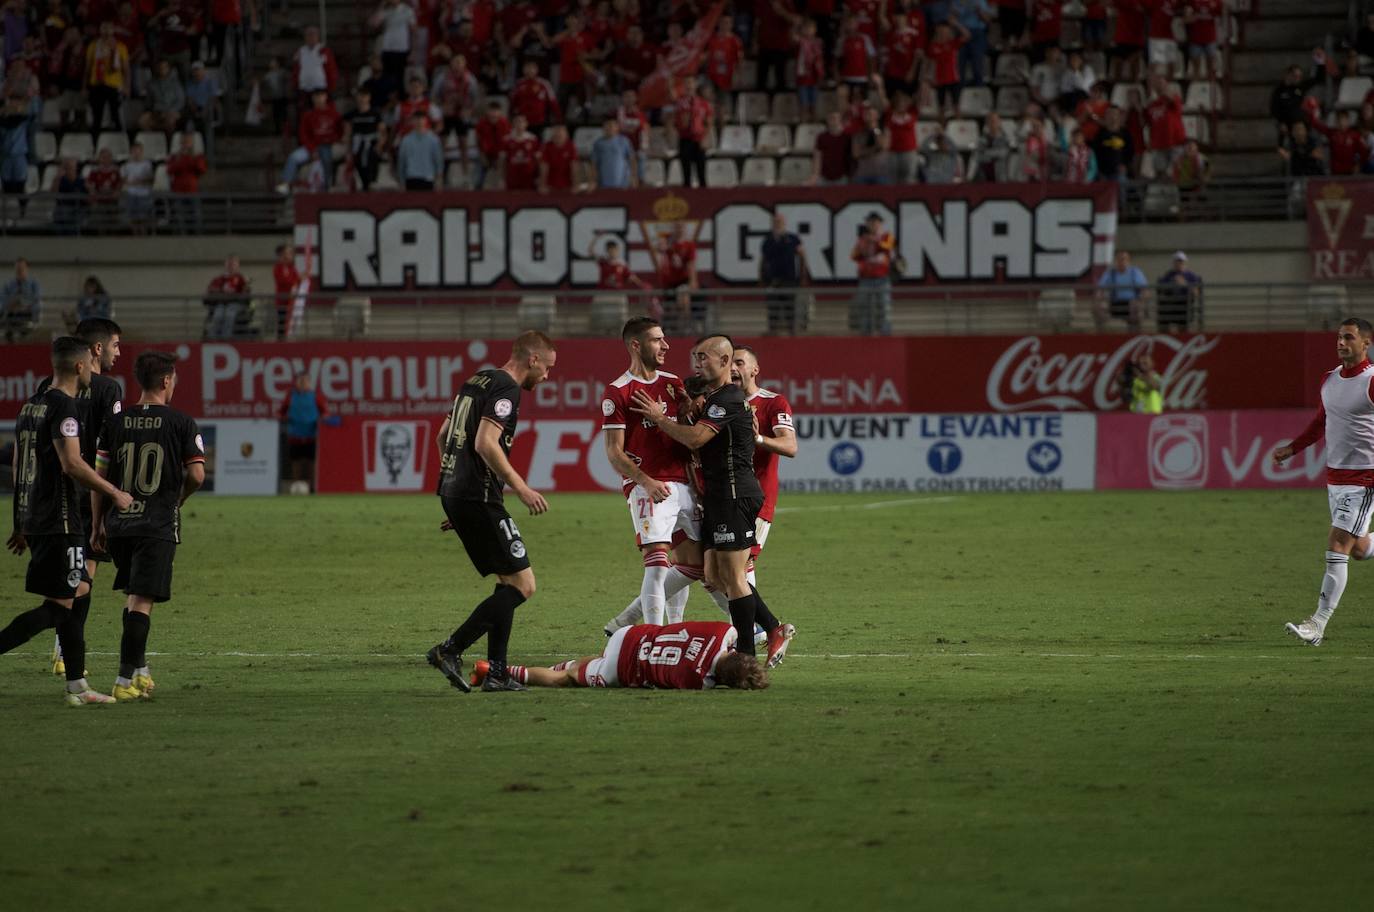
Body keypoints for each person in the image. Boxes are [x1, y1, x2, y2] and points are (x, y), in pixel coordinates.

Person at [628, 335, 794, 666]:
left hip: (736, 494)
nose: (697, 362)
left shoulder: (729, 398)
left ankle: (746, 653)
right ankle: (773, 627)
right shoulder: (716, 398)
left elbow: (698, 438)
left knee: (733, 577)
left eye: (703, 357)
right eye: (695, 356)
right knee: (713, 575)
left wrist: (661, 419)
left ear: (724, 362)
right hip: (718, 496)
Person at [0, 336, 133, 706]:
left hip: (39, 519)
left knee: (76, 593)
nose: (95, 369)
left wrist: (21, 521)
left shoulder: (31, 406)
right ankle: (76, 684)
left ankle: (77, 685)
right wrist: (114, 492)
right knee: (60, 605)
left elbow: (20, 467)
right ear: (79, 366)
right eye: (90, 363)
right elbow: (72, 464)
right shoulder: (65, 409)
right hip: (60, 520)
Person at [427, 331, 558, 693]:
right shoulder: (506, 388)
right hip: (479, 496)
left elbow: (442, 436)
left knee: (507, 581)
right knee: (523, 584)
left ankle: (497, 673)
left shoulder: (476, 380)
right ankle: (449, 649)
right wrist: (522, 487)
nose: (547, 376)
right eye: (547, 368)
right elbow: (485, 443)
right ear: (532, 359)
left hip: (458, 493)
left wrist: (455, 487)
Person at [89, 350, 205, 701]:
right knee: (142, 601)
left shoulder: (116, 423)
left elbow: (99, 475)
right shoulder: (181, 422)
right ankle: (124, 681)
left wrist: (97, 523)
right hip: (155, 524)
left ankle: (140, 671)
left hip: (120, 524)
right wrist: (179, 498)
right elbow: (197, 474)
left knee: (132, 596)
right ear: (167, 380)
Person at [597, 316, 705, 634]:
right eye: (657, 340)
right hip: (650, 487)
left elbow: (686, 433)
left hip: (685, 485)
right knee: (657, 564)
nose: (665, 345)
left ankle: (669, 628)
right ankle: (653, 640)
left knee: (694, 565)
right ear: (636, 344)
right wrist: (646, 482)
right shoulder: (618, 392)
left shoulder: (673, 383)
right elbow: (614, 452)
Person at [1274, 319, 1374, 647]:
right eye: (1339, 337)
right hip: (1335, 479)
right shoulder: (1329, 379)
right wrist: (1293, 448)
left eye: (1349, 337)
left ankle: (1317, 624)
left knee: (1337, 545)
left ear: (1367, 343)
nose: (1341, 343)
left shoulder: (1371, 381)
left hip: (1364, 479)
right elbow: (1321, 422)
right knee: (1358, 549)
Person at [35, 317, 124, 675]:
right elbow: (112, 444)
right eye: (116, 345)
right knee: (84, 575)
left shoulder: (47, 386)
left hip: (51, 496)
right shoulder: (109, 389)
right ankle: (66, 652)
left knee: (70, 575)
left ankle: (63, 650)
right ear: (97, 350)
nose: (119, 352)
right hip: (90, 491)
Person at [469, 621, 768, 690]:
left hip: (631, 635)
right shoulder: (700, 681)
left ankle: (570, 665)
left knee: (580, 665)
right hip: (622, 668)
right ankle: (495, 670)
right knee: (567, 678)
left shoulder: (724, 631)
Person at [733, 346, 797, 591]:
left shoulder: (772, 402)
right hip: (724, 495)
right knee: (708, 564)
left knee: (742, 562)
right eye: (730, 363)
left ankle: (755, 627)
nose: (733, 369)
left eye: (740, 363)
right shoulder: (719, 403)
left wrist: (758, 438)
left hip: (758, 497)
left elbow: (790, 446)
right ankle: (756, 626)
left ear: (755, 369)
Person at [277, 90, 343, 193]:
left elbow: (340, 132)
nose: (319, 99)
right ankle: (287, 183)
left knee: (326, 157)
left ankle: (327, 186)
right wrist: (312, 149)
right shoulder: (308, 115)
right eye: (316, 96)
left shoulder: (334, 114)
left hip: (329, 145)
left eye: (321, 96)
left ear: (326, 97)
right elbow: (303, 135)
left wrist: (332, 141)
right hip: (312, 146)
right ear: (312, 99)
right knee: (294, 157)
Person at [278, 372, 328, 491]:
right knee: (296, 463)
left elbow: (325, 412)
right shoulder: (291, 396)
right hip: (295, 434)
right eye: (300, 381)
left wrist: (321, 420)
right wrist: (286, 418)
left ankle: (312, 487)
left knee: (311, 463)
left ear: (309, 383)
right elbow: (281, 412)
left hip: (312, 435)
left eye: (305, 381)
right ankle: (297, 486)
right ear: (296, 382)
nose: (302, 383)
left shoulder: (315, 396)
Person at [760, 213, 808, 334]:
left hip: (789, 279)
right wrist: (762, 277)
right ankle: (773, 332)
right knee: (773, 308)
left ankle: (791, 332)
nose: (778, 224)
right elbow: (763, 260)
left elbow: (802, 257)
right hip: (773, 280)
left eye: (780, 221)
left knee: (790, 308)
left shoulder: (793, 239)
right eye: (776, 221)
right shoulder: (768, 240)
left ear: (784, 223)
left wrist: (803, 275)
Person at [84, 21, 130, 143]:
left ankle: (122, 142)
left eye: (109, 28)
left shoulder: (120, 47)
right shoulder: (93, 46)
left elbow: (126, 69)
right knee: (96, 118)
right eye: (104, 28)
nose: (106, 31)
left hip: (114, 85)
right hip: (97, 85)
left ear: (113, 30)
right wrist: (84, 87)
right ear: (100, 30)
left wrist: (127, 86)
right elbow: (88, 69)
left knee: (117, 116)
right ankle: (95, 144)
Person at [850, 212, 895, 335]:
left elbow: (888, 247)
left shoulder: (887, 236)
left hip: (882, 278)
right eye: (870, 222)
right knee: (864, 307)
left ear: (880, 224)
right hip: (866, 278)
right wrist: (862, 245)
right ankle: (866, 333)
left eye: (875, 222)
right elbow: (853, 255)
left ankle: (885, 333)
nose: (872, 225)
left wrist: (875, 241)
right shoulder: (862, 239)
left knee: (884, 307)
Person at [1094, 249, 1149, 332]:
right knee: (1099, 307)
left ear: (1129, 261)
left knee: (1136, 308)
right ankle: (1101, 335)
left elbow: (1145, 290)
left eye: (1124, 259)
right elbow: (1100, 289)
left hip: (1131, 302)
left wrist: (1141, 300)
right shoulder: (1110, 273)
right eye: (1119, 259)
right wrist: (1099, 299)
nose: (1121, 262)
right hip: (1114, 302)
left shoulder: (1135, 272)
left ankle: (1134, 334)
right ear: (1115, 261)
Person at [672, 79, 713, 188]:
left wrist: (705, 138)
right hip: (685, 140)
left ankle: (704, 199)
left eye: (691, 83)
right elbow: (677, 122)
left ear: (695, 85)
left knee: (701, 173)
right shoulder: (679, 103)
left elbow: (708, 123)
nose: (689, 86)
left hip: (699, 140)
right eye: (687, 84)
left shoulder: (704, 104)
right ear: (684, 87)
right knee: (686, 174)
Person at [396, 109, 445, 190]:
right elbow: (402, 161)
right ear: (412, 121)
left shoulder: (433, 139)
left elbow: (438, 160)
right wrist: (401, 181)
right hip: (411, 178)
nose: (419, 122)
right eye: (416, 119)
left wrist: (439, 179)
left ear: (426, 121)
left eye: (421, 119)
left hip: (428, 178)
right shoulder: (406, 140)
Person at [204, 254, 251, 339]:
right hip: (221, 304)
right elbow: (210, 292)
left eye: (234, 264)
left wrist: (246, 287)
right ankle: (212, 338)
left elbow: (246, 295)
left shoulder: (241, 279)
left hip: (236, 304)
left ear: (237, 266)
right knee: (218, 314)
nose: (231, 266)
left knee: (230, 314)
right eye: (229, 264)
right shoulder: (218, 279)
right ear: (225, 265)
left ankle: (226, 338)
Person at [1155, 251, 1202, 332]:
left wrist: (1185, 284)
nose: (1179, 263)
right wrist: (1170, 285)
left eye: (1181, 261)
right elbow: (1160, 289)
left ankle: (1183, 336)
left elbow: (1196, 293)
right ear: (1174, 262)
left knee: (1184, 320)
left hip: (1185, 304)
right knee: (1162, 313)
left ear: (1185, 262)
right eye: (1177, 261)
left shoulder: (1191, 276)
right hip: (1170, 304)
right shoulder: (1168, 275)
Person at [140, 59, 185, 133]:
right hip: (157, 111)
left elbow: (181, 100)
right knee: (142, 121)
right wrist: (151, 111)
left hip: (172, 111)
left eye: (165, 67)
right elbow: (149, 102)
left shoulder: (175, 83)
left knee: (170, 120)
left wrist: (170, 111)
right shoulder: (151, 83)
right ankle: (153, 139)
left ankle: (168, 142)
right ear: (157, 69)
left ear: (168, 69)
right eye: (160, 67)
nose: (162, 69)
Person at [810, 111, 854, 185]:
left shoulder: (847, 137)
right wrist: (815, 174)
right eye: (830, 118)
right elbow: (817, 157)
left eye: (835, 118)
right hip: (824, 176)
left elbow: (851, 157)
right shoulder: (821, 137)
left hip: (842, 176)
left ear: (840, 120)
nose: (832, 120)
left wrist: (850, 175)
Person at [3, 257, 41, 342]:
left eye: (22, 268)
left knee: (26, 333)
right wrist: (13, 304)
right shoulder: (8, 285)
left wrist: (22, 304)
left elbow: (36, 300)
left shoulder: (33, 284)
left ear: (27, 269)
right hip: (12, 315)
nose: (19, 270)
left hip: (27, 314)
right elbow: (3, 301)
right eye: (17, 268)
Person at [590, 117, 635, 189]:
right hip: (604, 183)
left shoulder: (624, 141)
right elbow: (594, 164)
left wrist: (633, 177)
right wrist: (593, 180)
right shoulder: (598, 143)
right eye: (606, 126)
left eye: (611, 126)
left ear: (617, 128)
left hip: (623, 182)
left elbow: (631, 159)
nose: (609, 128)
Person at [120, 142, 154, 234]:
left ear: (142, 152)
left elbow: (150, 179)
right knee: (132, 216)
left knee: (143, 216)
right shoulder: (127, 165)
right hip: (131, 193)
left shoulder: (147, 164)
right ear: (131, 152)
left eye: (138, 151)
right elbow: (123, 180)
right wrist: (131, 183)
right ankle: (134, 233)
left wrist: (140, 181)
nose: (136, 153)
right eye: (134, 151)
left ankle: (143, 233)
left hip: (144, 193)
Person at [537, 123, 579, 194]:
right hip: (550, 186)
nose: (558, 135)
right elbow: (544, 167)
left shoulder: (571, 146)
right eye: (556, 133)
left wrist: (575, 184)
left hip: (567, 186)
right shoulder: (547, 147)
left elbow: (574, 166)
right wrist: (542, 185)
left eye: (561, 133)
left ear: (566, 135)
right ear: (552, 135)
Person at [272, 244, 300, 337]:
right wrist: (294, 282)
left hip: (291, 302)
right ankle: (280, 345)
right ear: (282, 255)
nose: (291, 255)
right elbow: (283, 281)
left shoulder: (292, 268)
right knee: (282, 325)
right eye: (289, 253)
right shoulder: (278, 268)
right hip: (282, 302)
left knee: (290, 325)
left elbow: (297, 280)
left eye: (291, 253)